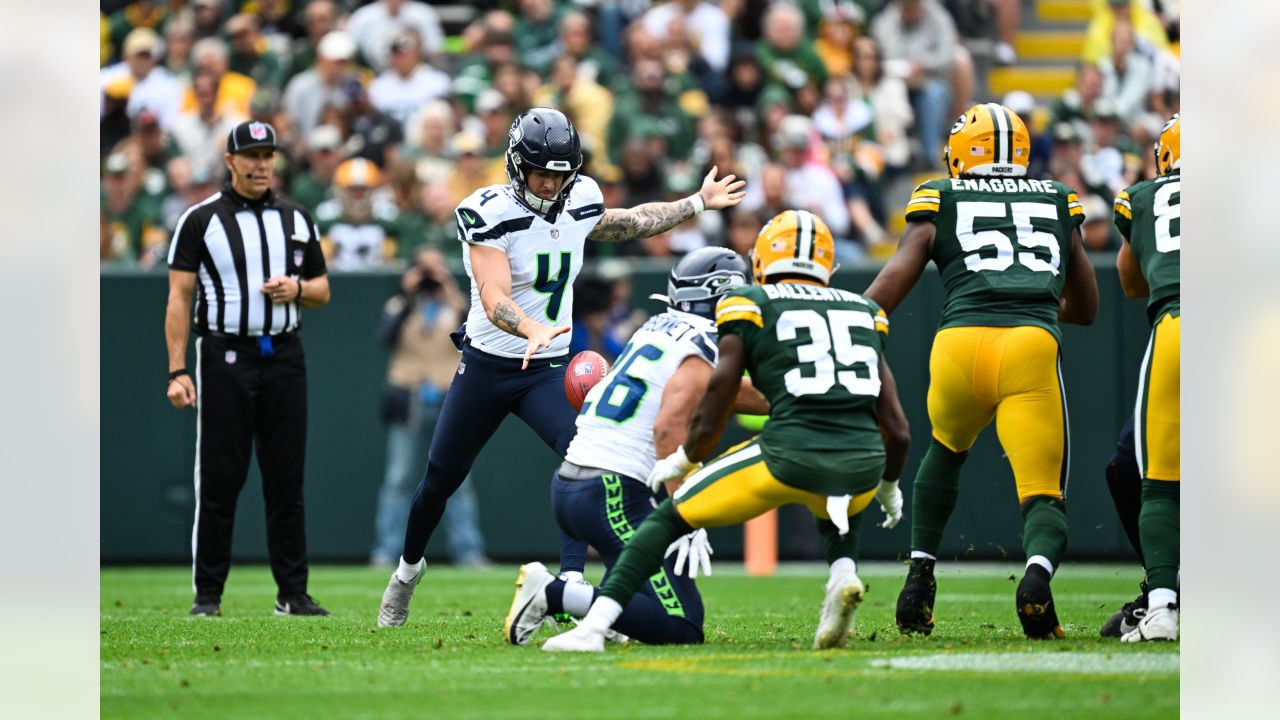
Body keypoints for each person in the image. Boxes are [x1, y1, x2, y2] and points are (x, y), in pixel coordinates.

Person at [375, 107, 746, 628]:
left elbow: (629, 222)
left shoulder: (580, 197)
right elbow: (493, 293)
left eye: (559, 173)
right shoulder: (487, 210)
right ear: (515, 165)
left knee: (584, 459)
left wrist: (695, 202)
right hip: (488, 363)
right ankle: (406, 575)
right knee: (439, 479)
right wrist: (530, 328)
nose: (550, 183)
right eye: (541, 172)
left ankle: (569, 580)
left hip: (548, 369)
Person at [542, 209, 912, 652]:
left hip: (581, 475)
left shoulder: (662, 327)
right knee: (682, 617)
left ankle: (589, 611)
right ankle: (843, 571)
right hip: (617, 484)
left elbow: (724, 391)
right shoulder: (862, 310)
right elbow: (675, 421)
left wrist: (690, 462)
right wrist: (889, 483)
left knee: (669, 538)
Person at [863, 103, 1100, 639]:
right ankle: (1036, 579)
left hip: (958, 344)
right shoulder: (1058, 198)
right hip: (1030, 344)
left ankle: (920, 576)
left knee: (944, 451)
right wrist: (1026, 296)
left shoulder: (940, 194)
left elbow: (888, 287)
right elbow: (1087, 308)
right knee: (1043, 491)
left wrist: (850, 325)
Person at [504, 247, 766, 646]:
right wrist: (684, 511)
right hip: (611, 493)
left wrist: (789, 396)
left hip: (576, 483)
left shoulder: (659, 325)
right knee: (682, 625)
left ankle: (609, 619)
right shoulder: (706, 340)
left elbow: (726, 390)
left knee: (648, 596)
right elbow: (669, 428)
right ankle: (552, 592)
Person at [164, 121, 332, 617]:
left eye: (268, 155)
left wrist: (295, 290)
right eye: (251, 155)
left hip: (283, 354)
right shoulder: (201, 219)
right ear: (231, 161)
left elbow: (322, 289)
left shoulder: (298, 219)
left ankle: (293, 593)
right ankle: (208, 596)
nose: (261, 164)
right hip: (224, 356)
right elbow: (178, 295)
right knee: (220, 479)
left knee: (286, 480)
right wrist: (177, 369)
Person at [373, 248, 489, 568]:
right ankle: (386, 550)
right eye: (424, 269)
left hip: (448, 399)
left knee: (459, 481)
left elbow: (477, 330)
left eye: (436, 269)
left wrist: (449, 289)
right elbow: (384, 337)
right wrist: (409, 294)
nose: (430, 276)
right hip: (408, 398)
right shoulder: (399, 306)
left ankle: (468, 550)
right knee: (398, 478)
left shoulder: (455, 307)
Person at [1112, 113, 1180, 642]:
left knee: (1155, 477)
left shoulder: (1144, 196)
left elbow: (1130, 281)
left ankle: (1163, 604)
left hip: (1177, 326)